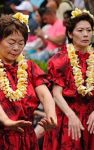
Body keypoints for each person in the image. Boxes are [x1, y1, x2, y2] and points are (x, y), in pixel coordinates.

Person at [0, 12, 57, 149]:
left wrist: (51, 116)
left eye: (21, 43)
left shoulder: (29, 67)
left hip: (26, 139)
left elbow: (44, 94)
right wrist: (5, 120)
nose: (16, 48)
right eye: (11, 42)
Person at [43, 8, 94, 150]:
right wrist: (71, 116)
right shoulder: (61, 59)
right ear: (70, 34)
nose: (85, 34)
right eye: (80, 30)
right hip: (67, 116)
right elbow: (56, 94)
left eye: (89, 30)